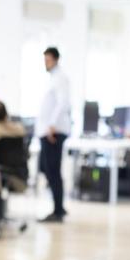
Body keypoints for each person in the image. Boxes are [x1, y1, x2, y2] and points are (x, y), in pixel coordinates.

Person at [36, 47, 71, 223]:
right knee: (46, 168)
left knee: (53, 171)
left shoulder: (60, 78)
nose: (45, 63)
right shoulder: (53, 78)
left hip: (53, 131)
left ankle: (58, 210)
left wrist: (51, 125)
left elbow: (63, 103)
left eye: (48, 60)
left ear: (56, 59)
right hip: (48, 130)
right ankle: (59, 207)